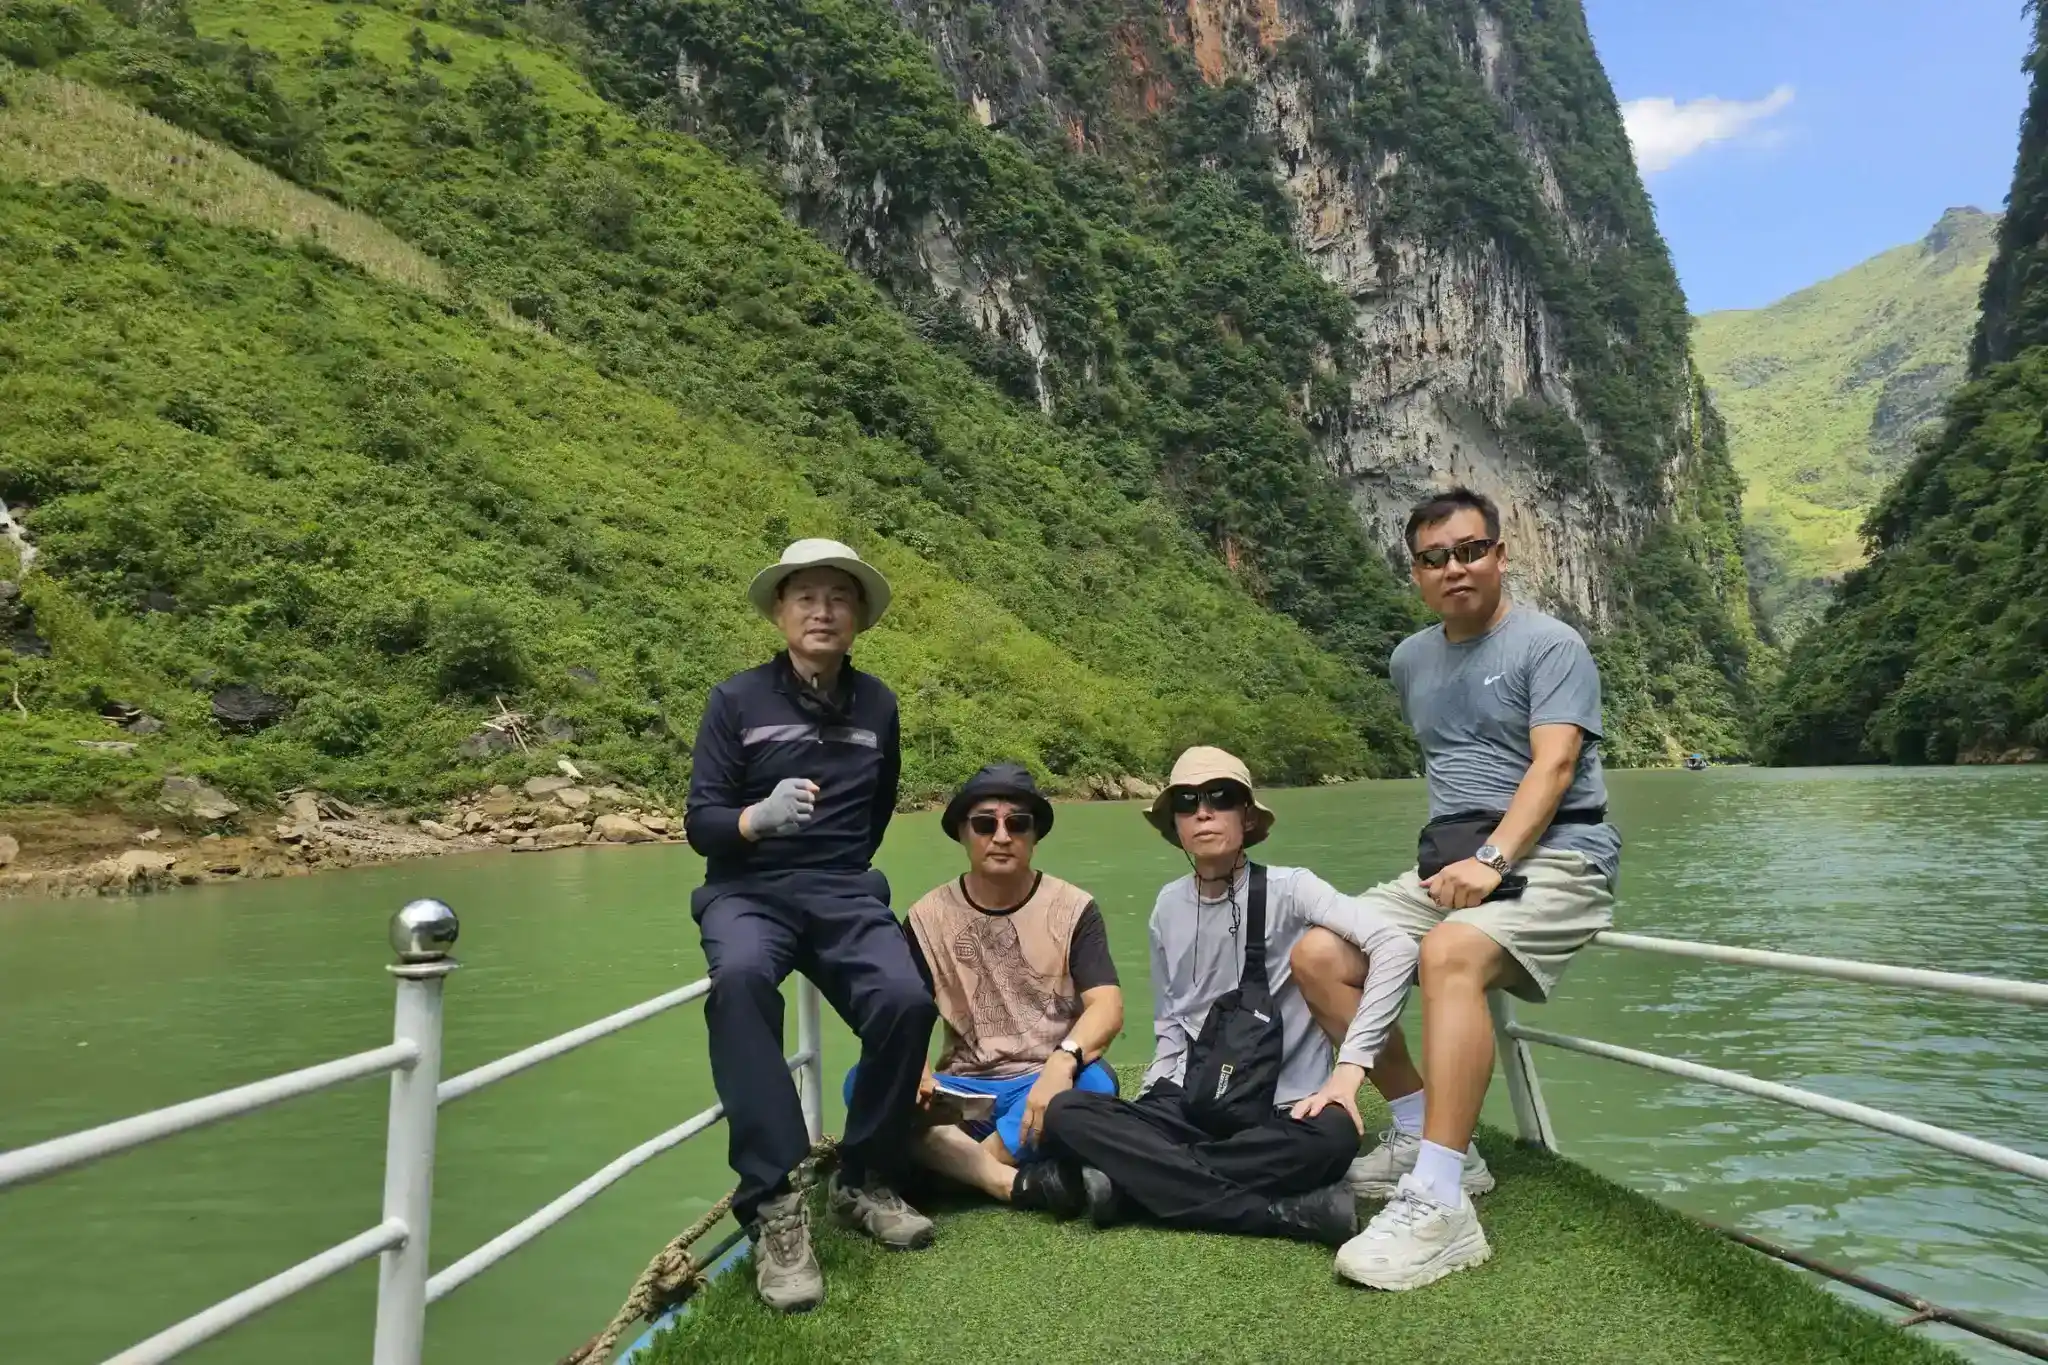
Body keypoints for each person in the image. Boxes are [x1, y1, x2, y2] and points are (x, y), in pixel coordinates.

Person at [1293, 486, 1620, 1291]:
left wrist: (1496, 859)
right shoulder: (1411, 659)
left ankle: (1440, 1206)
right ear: (1417, 573)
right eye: (1435, 558)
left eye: (1471, 550)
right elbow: (1453, 769)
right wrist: (1460, 862)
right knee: (1316, 952)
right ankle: (1427, 1135)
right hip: (1448, 864)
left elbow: (1555, 764)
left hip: (1557, 855)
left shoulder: (1551, 646)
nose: (1455, 569)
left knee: (1449, 954)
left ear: (1501, 555)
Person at [685, 538, 938, 1313]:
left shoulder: (879, 705)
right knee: (740, 984)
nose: (822, 610)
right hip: (748, 889)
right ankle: (775, 1203)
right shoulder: (735, 701)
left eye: (839, 597)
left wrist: (841, 868)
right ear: (780, 612)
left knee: (905, 999)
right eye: (806, 597)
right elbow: (702, 822)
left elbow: (879, 802)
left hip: (840, 889)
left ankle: (863, 1179)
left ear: (857, 616)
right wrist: (756, 821)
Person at [1036, 747, 1419, 1247]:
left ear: (1246, 815)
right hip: (1193, 1101)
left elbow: (1396, 947)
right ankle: (1283, 1213)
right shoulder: (1166, 907)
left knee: (1335, 1138)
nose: (1204, 811)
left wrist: (1351, 1069)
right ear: (1175, 824)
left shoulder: (1293, 889)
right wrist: (1159, 1094)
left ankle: (1132, 1186)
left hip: (1285, 1106)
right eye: (1188, 801)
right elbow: (1172, 1019)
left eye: (1221, 797)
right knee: (1069, 1113)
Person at [854, 763, 1124, 1205]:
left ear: (1034, 836)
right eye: (985, 824)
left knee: (1094, 1083)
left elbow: (1108, 1007)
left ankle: (958, 1172)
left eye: (1017, 824)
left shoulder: (1074, 909)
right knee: (864, 1081)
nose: (1002, 836)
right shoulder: (927, 917)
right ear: (963, 833)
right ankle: (1008, 1178)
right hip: (963, 1091)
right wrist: (917, 1073)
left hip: (1045, 1084)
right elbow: (902, 1012)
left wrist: (1061, 1062)